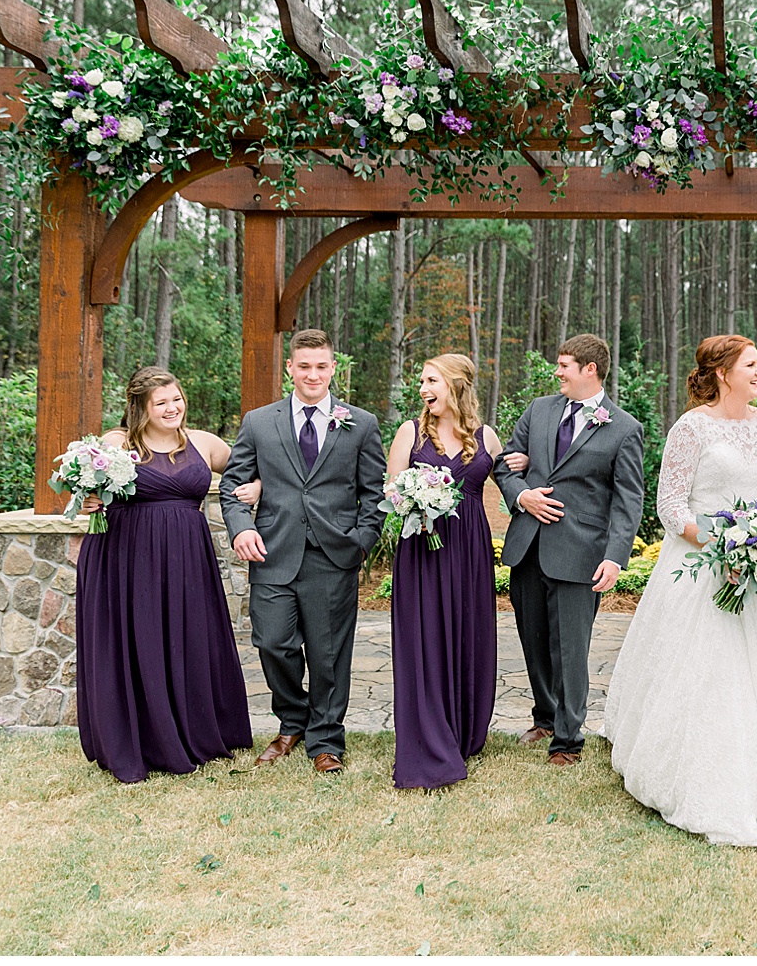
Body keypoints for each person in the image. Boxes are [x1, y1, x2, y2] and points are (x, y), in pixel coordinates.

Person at [603, 335, 757, 846]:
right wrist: (721, 543)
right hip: (701, 570)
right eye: (752, 365)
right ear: (722, 373)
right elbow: (669, 506)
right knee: (711, 676)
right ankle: (712, 775)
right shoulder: (691, 428)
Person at [220, 328, 386, 775]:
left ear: (334, 368)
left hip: (333, 557)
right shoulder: (259, 421)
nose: (313, 374)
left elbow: (374, 496)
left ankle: (327, 739)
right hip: (273, 552)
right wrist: (240, 529)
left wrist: (361, 543)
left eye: (322, 366)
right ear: (290, 368)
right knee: (273, 643)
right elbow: (233, 486)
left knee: (329, 653)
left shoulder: (361, 423)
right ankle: (292, 721)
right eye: (304, 366)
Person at [76, 367, 254, 782]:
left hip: (188, 561)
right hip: (127, 559)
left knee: (187, 640)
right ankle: (143, 741)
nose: (172, 408)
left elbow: (254, 468)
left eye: (177, 399)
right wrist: (87, 498)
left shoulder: (206, 444)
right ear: (141, 407)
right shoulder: (117, 443)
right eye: (161, 403)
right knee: (138, 644)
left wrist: (257, 487)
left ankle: (195, 733)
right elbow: (91, 485)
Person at [492, 334, 646, 766]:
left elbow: (628, 499)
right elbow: (505, 462)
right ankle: (544, 716)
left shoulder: (624, 428)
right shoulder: (539, 411)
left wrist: (615, 557)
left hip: (581, 553)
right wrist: (522, 495)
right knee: (533, 640)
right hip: (528, 546)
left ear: (589, 369)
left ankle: (567, 739)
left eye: (564, 365)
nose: (557, 373)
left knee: (571, 649)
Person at [383, 354, 501, 790]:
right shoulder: (410, 433)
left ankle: (465, 729)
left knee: (469, 633)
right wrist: (417, 497)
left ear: (455, 384)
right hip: (423, 550)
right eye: (421, 380)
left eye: (430, 379)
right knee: (425, 636)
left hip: (469, 549)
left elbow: (507, 481)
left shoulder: (486, 436)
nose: (422, 388)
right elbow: (392, 491)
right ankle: (429, 736)